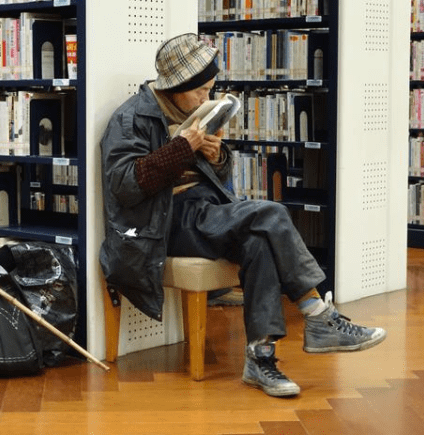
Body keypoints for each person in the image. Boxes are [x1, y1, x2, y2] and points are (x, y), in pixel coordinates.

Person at [99, 33, 387, 397]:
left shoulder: (192, 112)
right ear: (174, 86)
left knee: (259, 242)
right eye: (199, 91)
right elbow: (125, 184)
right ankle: (317, 313)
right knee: (271, 214)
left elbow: (215, 177)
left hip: (202, 211)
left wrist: (215, 156)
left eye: (210, 89)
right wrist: (182, 148)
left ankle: (260, 357)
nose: (206, 98)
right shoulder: (130, 118)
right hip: (160, 224)